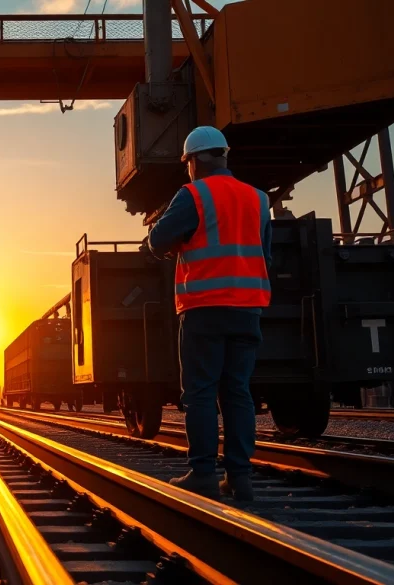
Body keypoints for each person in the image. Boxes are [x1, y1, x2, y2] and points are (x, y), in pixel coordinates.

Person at [143, 126, 272, 502]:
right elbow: (265, 253)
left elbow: (157, 241)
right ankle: (240, 478)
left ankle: (202, 473)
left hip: (204, 309)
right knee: (237, 392)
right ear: (224, 156)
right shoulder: (258, 199)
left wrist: (173, 241)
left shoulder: (193, 194)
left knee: (200, 392)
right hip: (248, 309)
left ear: (194, 161)